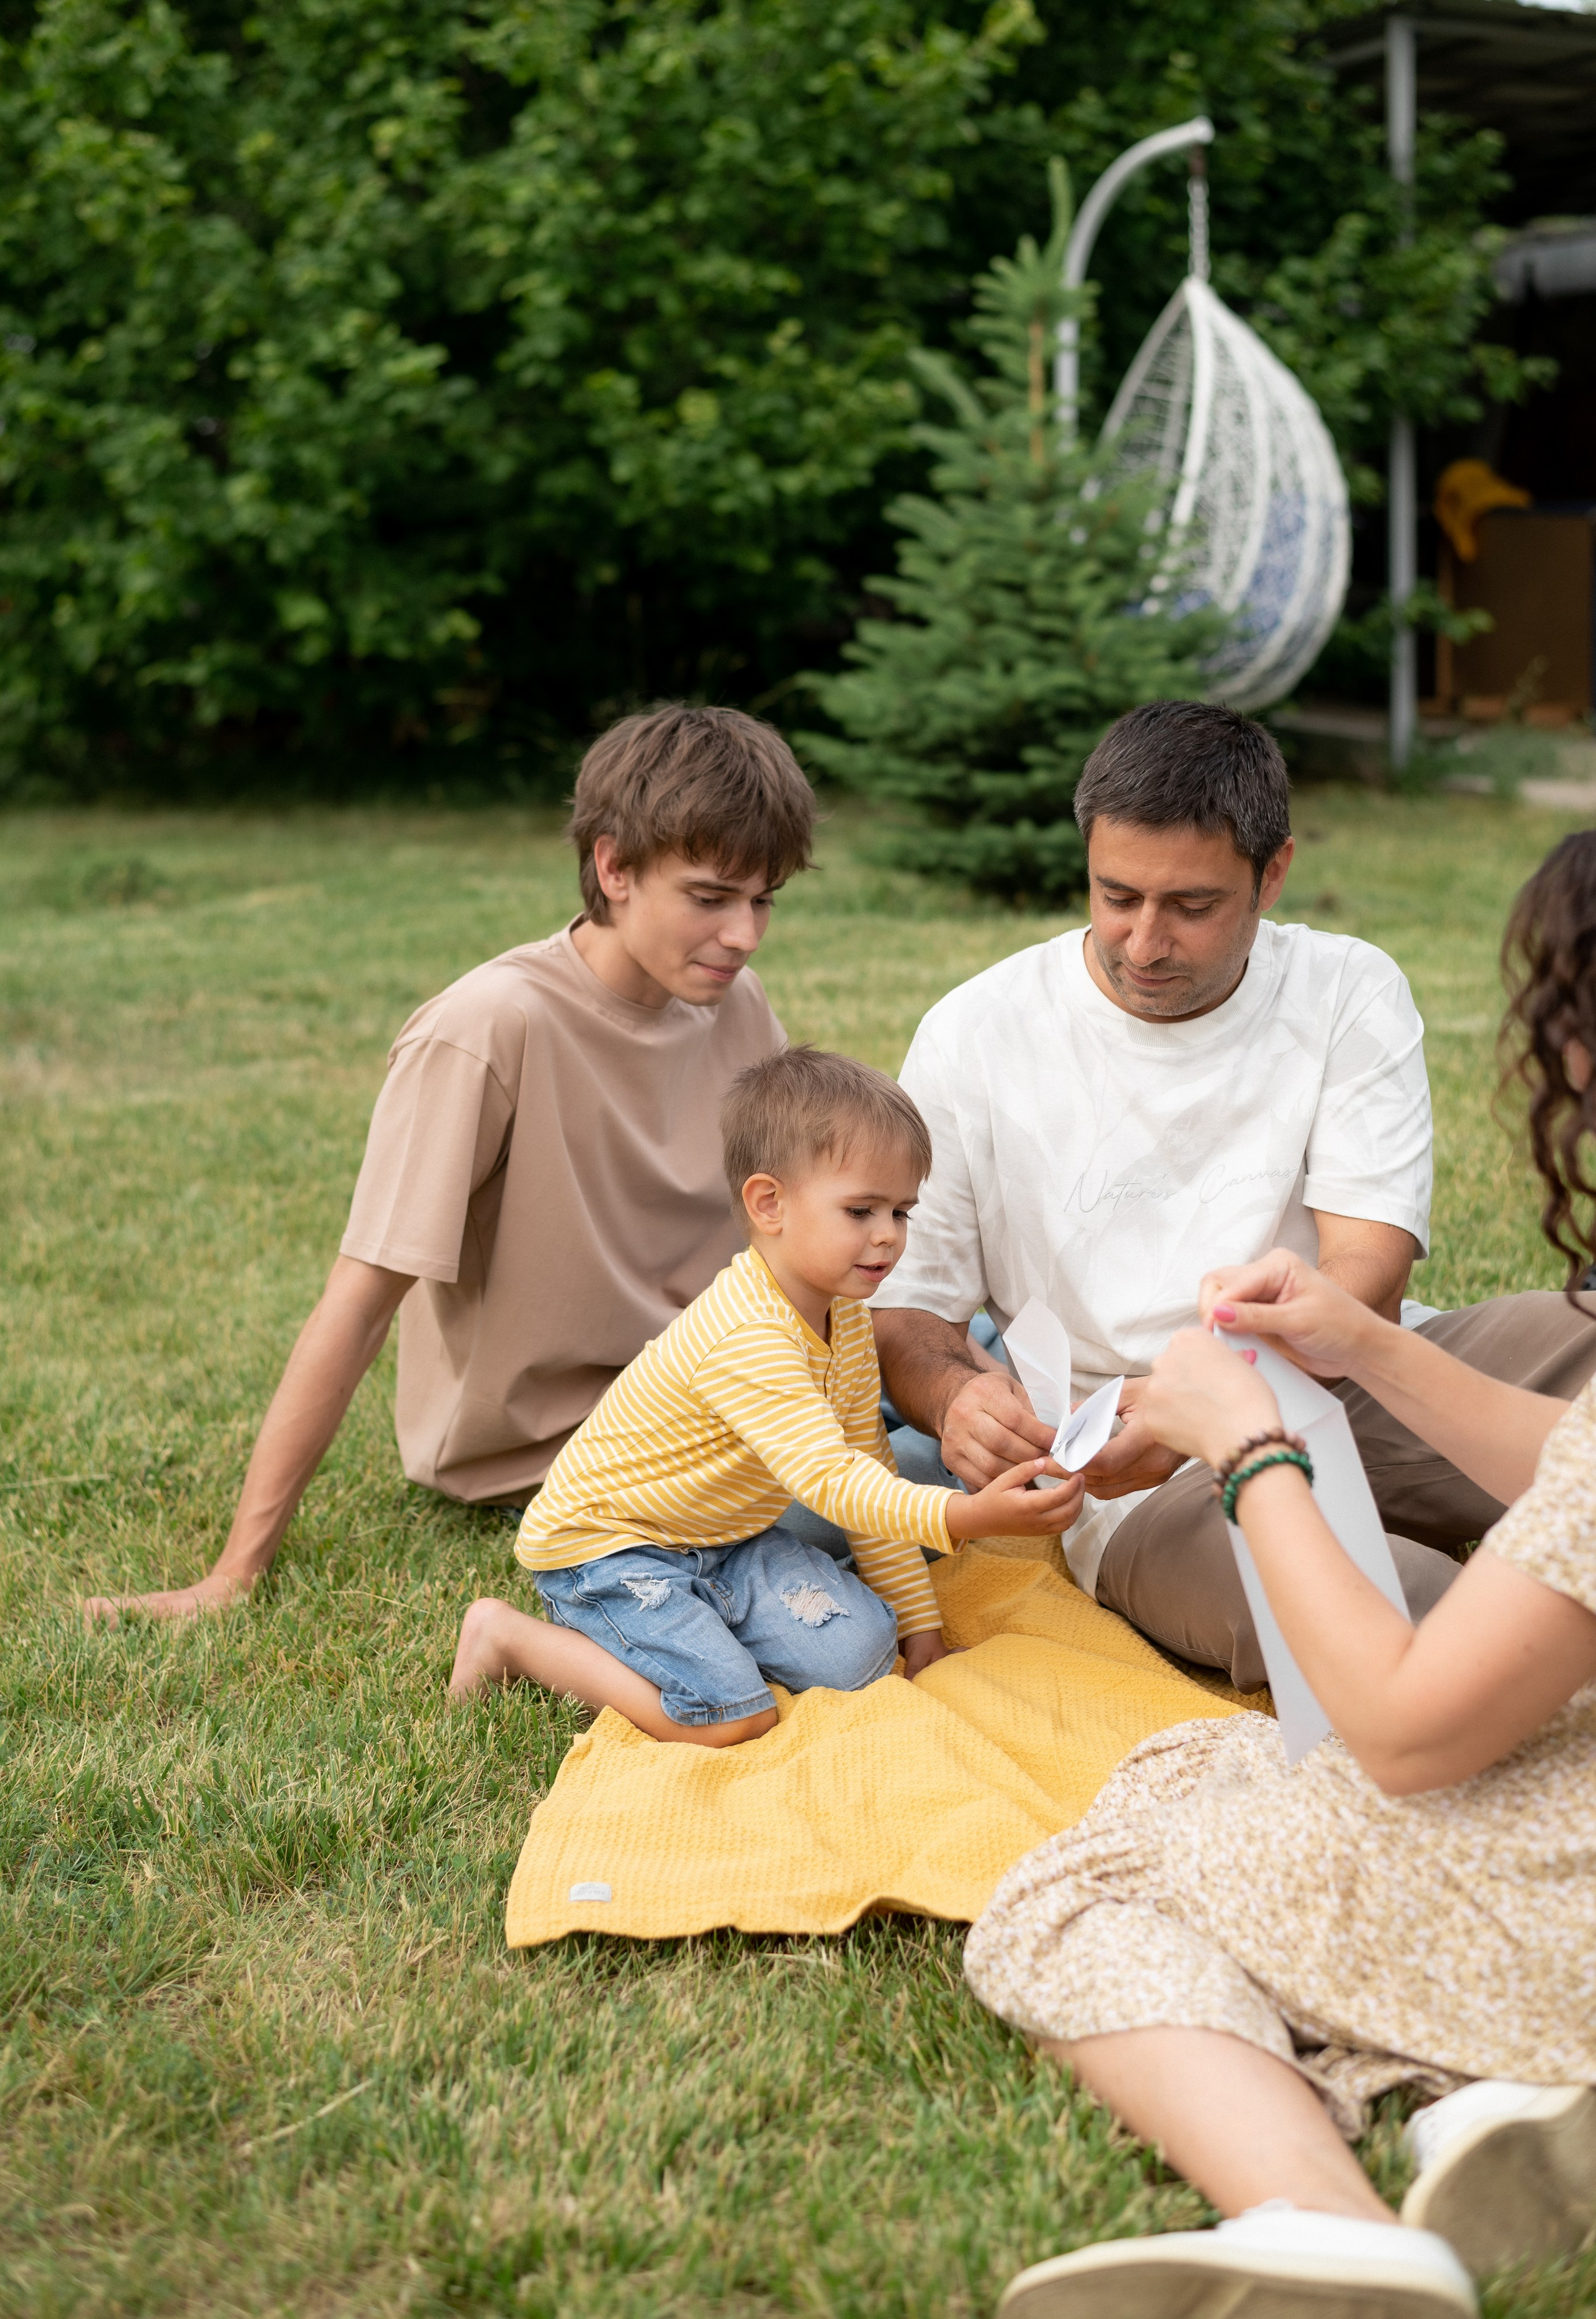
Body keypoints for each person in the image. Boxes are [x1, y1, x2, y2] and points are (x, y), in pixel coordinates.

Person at [962, 829, 1596, 2319]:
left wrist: (1245, 1444)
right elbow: (1577, 1467)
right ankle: (1478, 2086)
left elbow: (1402, 1725)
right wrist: (1361, 1340)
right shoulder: (986, 1028)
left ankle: (1326, 2215)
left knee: (1090, 1869)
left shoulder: (1339, 989)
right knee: (1216, 1760)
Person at [872, 699, 1596, 1687]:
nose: (1143, 941)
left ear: (1275, 872)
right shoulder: (974, 1034)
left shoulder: (1347, 988)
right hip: (1129, 1474)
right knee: (1417, 1633)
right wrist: (956, 1395)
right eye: (1116, 894)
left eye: (1192, 906)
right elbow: (908, 1309)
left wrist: (1225, 1377)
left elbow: (1367, 1275)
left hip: (1351, 1376)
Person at [85, 705, 814, 1621]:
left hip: (717, 1399)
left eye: (764, 900)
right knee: (907, 1498)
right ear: (614, 866)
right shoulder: (486, 1028)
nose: (745, 935)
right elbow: (356, 1305)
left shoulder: (737, 1004)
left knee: (971, 1399)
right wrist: (233, 1573)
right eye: (710, 897)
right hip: (569, 1452)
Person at [449, 1048, 1080, 1742]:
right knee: (728, 1716)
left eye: (901, 1211)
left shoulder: (844, 1320)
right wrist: (968, 1515)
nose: (887, 1237)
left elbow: (868, 1472)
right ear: (769, 1203)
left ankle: (700, 1618)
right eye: (861, 1209)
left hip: (726, 1539)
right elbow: (833, 1485)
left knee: (865, 1656)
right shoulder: (748, 1334)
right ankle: (507, 1637)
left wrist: (921, 1633)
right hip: (610, 1547)